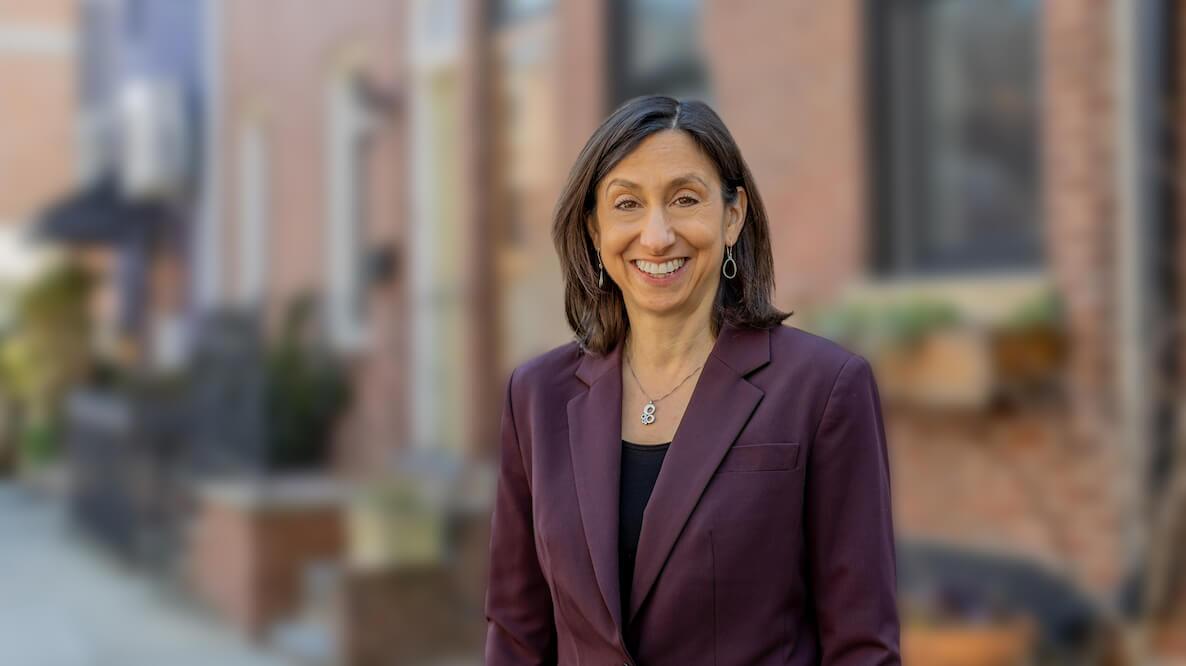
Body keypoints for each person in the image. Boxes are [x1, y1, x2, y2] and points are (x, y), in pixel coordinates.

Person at [484, 95, 900, 665]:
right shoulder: (536, 397)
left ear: (732, 216)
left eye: (684, 199)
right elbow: (515, 634)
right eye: (627, 203)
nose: (656, 236)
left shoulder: (824, 389)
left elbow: (861, 645)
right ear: (593, 229)